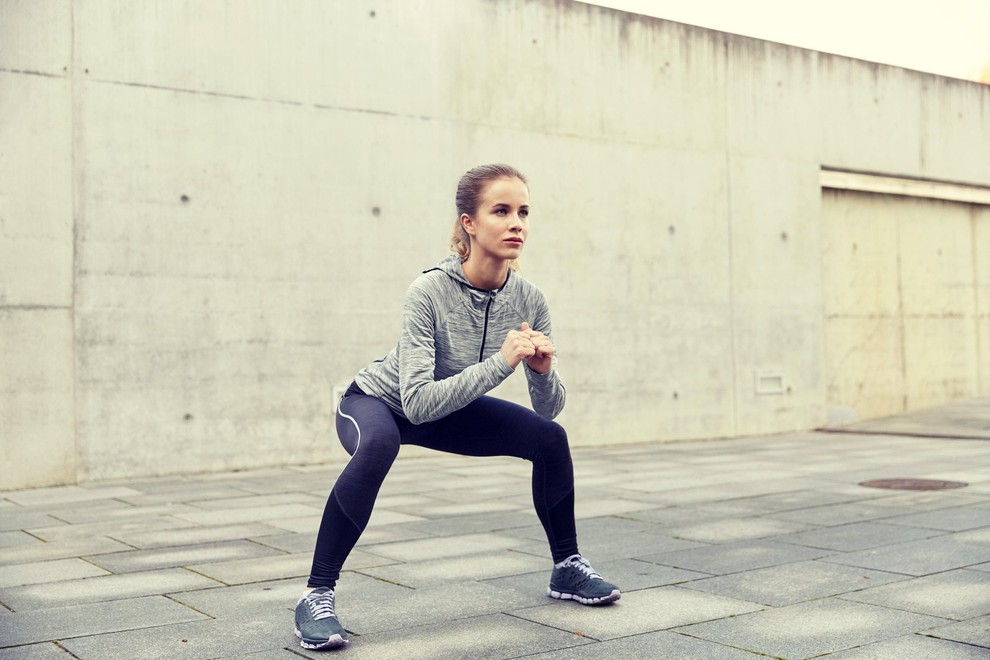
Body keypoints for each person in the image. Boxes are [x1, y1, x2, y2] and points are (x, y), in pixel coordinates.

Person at [294, 163, 620, 650]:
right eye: (501, 211)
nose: (517, 223)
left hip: (449, 403)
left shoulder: (529, 299)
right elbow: (419, 402)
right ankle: (316, 595)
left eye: (524, 212)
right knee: (380, 446)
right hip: (380, 401)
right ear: (469, 222)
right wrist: (501, 363)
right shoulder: (428, 292)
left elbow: (548, 410)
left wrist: (542, 371)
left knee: (549, 439)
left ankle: (567, 568)